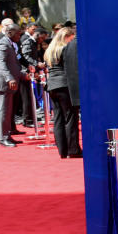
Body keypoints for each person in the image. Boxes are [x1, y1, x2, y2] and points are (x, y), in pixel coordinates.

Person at [43, 27, 82, 158]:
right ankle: (73, 149)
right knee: (71, 117)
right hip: (64, 85)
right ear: (66, 37)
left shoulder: (50, 50)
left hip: (52, 86)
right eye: (71, 38)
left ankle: (63, 150)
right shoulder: (65, 49)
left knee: (59, 118)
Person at [0, 23, 23, 147]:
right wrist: (9, 78)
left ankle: (7, 135)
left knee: (7, 110)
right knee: (3, 110)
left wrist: (22, 74)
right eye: (18, 33)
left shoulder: (9, 43)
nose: (19, 36)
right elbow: (0, 63)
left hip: (6, 81)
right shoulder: (3, 43)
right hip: (2, 81)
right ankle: (3, 138)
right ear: (10, 32)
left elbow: (13, 64)